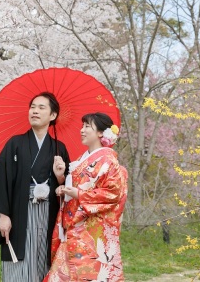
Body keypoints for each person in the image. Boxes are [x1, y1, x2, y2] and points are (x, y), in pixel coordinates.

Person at [0, 92, 71, 281]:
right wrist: (3, 215)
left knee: (45, 259)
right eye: (32, 107)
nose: (35, 111)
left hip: (48, 213)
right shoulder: (15, 144)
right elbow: (3, 180)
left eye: (41, 108)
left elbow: (66, 188)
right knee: (18, 263)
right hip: (19, 212)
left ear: (53, 115)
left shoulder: (60, 149)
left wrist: (60, 176)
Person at [45, 112, 127, 282]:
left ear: (100, 133)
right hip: (75, 229)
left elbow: (112, 194)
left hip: (90, 232)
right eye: (82, 126)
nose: (82, 130)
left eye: (87, 126)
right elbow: (75, 188)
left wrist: (79, 194)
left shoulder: (107, 160)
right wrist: (61, 180)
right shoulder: (84, 159)